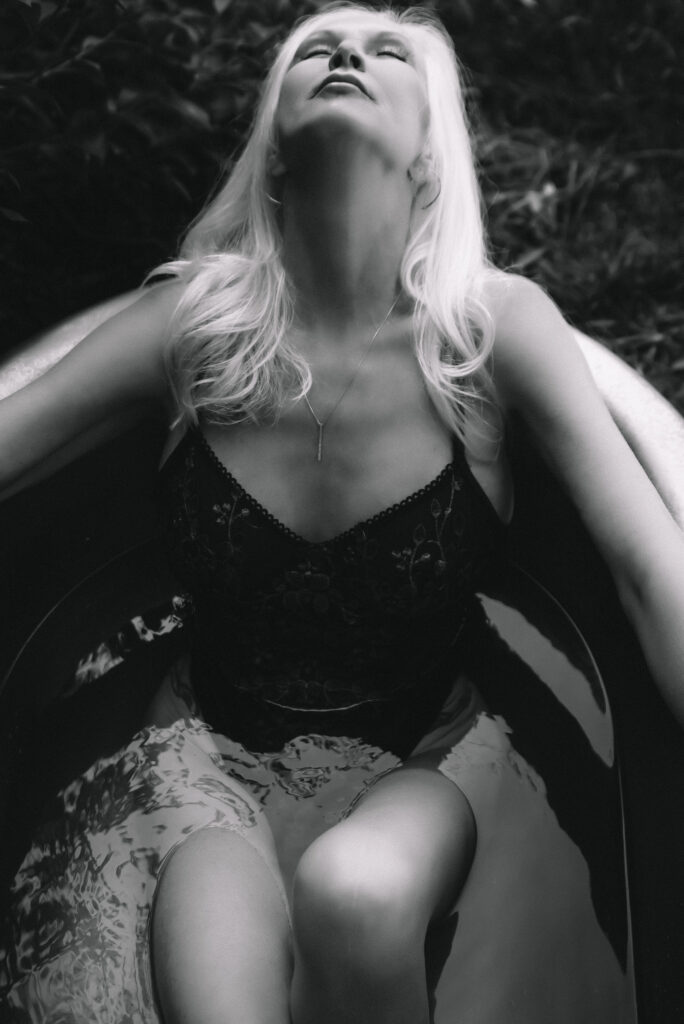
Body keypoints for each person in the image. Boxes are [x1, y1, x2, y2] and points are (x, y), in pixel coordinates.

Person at [1, 3, 683, 1022]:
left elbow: (642, 562)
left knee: (353, 894)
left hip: (430, 749)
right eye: (314, 48)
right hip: (205, 752)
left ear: (427, 154)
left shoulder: (492, 332)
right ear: (273, 147)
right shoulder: (193, 327)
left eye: (387, 50)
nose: (347, 53)